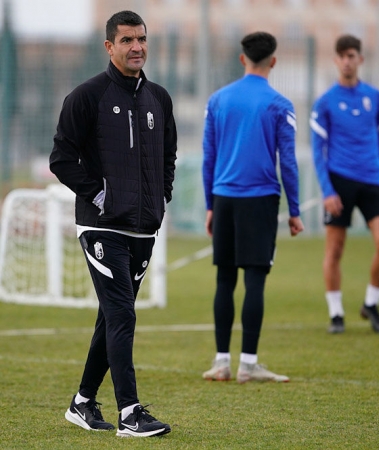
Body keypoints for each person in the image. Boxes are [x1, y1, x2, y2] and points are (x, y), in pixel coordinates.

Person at [49, 10, 177, 437]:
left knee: (112, 316)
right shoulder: (87, 96)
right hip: (102, 227)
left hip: (143, 228)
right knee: (123, 315)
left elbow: (167, 157)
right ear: (110, 47)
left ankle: (82, 402)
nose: (137, 46)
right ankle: (130, 414)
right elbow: (61, 158)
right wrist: (101, 195)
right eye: (127, 40)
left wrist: (161, 197)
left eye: (141, 39)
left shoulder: (160, 97)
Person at [202, 31, 304, 384]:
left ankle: (220, 363)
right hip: (260, 200)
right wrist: (295, 210)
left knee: (224, 279)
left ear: (242, 58)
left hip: (224, 198)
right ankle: (248, 364)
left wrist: (209, 204)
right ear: (273, 61)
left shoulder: (217, 100)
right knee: (255, 281)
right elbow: (287, 162)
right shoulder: (280, 104)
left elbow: (209, 157)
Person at [309, 34, 379, 334]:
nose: (347, 60)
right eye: (342, 55)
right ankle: (336, 314)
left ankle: (371, 304)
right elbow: (317, 150)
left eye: (352, 55)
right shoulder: (326, 102)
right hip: (339, 182)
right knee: (334, 251)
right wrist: (327, 190)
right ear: (336, 60)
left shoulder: (376, 98)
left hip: (373, 181)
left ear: (360, 59)